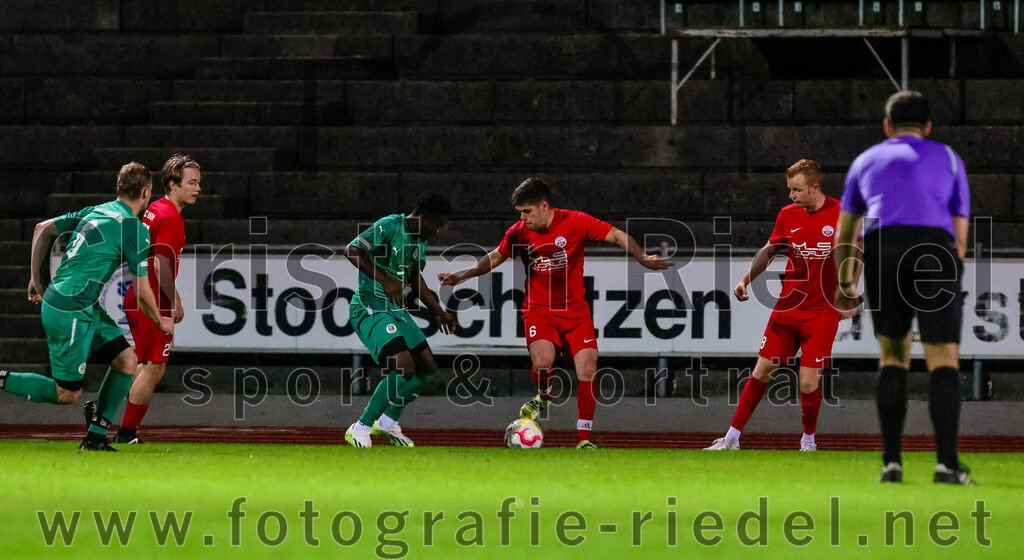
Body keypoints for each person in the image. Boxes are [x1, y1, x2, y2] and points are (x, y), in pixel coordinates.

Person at [438, 177, 672, 449]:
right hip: (539, 310)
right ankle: (544, 396)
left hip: (575, 312)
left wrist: (642, 257)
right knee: (543, 362)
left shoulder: (576, 221)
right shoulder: (518, 232)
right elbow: (495, 257)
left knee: (587, 368)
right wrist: (461, 277)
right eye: (520, 213)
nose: (523, 218)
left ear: (544, 205)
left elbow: (618, 235)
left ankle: (584, 439)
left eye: (527, 212)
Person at [834, 90, 973, 485]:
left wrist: (846, 281)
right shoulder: (947, 157)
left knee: (892, 355)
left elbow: (847, 231)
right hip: (934, 247)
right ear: (927, 128)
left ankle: (891, 464)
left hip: (884, 247)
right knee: (943, 357)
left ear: (887, 126)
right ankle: (947, 465)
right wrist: (951, 266)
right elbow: (960, 230)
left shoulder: (865, 160)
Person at [0, 162, 173, 451]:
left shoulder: (96, 211)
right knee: (66, 393)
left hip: (83, 305)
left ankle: (94, 439)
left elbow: (42, 229)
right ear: (146, 192)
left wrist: (35, 277)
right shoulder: (133, 227)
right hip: (70, 307)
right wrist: (160, 321)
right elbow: (143, 291)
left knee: (127, 362)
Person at [705, 159, 854, 452]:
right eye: (790, 190)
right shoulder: (787, 215)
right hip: (788, 307)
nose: (791, 196)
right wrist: (746, 279)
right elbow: (770, 251)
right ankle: (732, 438)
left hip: (822, 311)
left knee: (808, 381)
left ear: (815, 188)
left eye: (796, 190)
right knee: (762, 369)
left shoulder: (841, 215)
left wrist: (847, 291)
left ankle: (808, 441)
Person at [95, 154, 201, 445]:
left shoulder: (154, 208)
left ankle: (103, 411)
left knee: (142, 364)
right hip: (152, 297)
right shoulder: (171, 219)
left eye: (198, 183)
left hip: (136, 293)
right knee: (154, 367)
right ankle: (126, 433)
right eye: (191, 183)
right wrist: (175, 301)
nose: (197, 188)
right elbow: (159, 265)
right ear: (172, 184)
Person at [344, 193, 458, 448]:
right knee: (404, 367)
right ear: (424, 217)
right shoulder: (389, 226)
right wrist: (385, 279)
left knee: (427, 365)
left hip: (395, 310)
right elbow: (351, 249)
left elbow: (414, 276)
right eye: (436, 225)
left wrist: (437, 310)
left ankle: (386, 421)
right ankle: (360, 427)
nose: (437, 231)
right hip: (370, 306)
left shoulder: (419, 241)